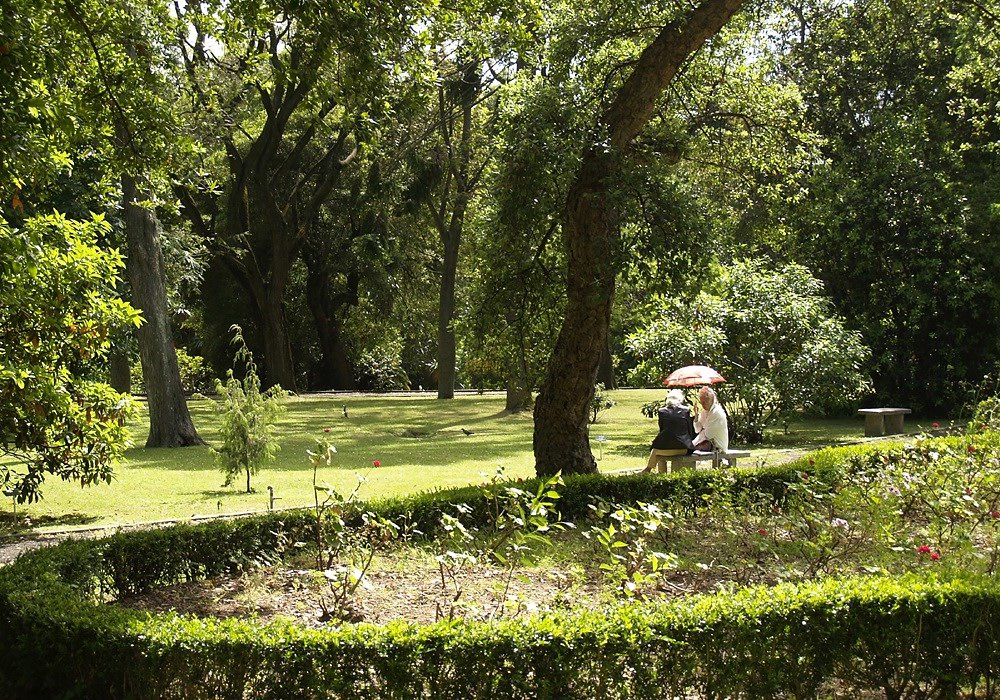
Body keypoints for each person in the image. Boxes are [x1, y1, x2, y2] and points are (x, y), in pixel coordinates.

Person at [643, 389, 695, 473]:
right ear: (680, 400)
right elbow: (689, 431)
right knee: (658, 451)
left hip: (670, 447)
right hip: (684, 448)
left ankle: (652, 471)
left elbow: (662, 430)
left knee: (656, 452)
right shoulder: (686, 410)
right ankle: (650, 471)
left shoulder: (662, 411)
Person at [693, 386, 729, 453]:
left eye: (706, 400)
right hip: (706, 443)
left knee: (690, 449)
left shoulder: (717, 412)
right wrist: (696, 416)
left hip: (717, 446)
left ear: (712, 399)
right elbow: (697, 430)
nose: (704, 404)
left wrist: (703, 430)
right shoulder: (704, 412)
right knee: (688, 448)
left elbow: (708, 435)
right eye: (702, 401)